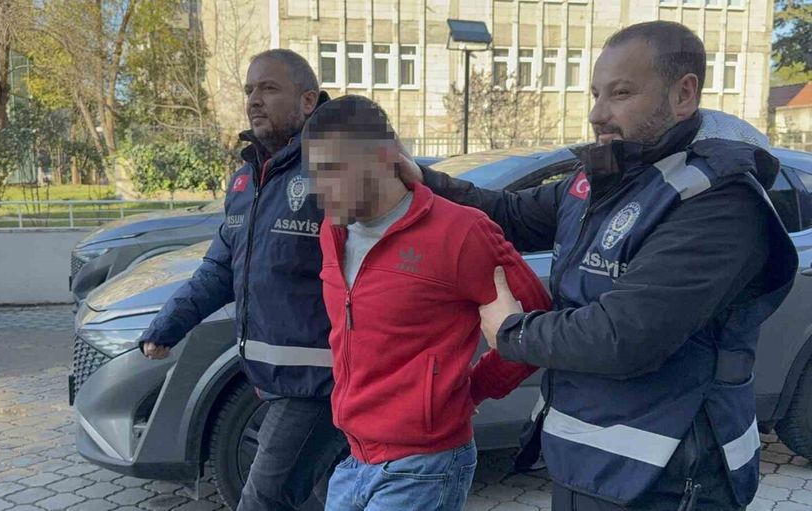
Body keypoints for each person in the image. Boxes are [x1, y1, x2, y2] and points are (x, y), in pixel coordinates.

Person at [399, 21, 798, 511]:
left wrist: (511, 332)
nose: (597, 113)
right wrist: (423, 179)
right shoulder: (605, 182)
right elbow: (510, 212)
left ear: (683, 94)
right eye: (595, 94)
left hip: (669, 479)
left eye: (621, 93)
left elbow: (624, 336)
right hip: (589, 464)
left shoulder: (718, 201)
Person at [303, 95, 552, 511]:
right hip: (354, 457)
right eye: (314, 173)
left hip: (423, 465)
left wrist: (472, 390)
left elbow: (535, 326)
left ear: (385, 156)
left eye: (332, 169)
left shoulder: (461, 232)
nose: (318, 188)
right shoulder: (333, 231)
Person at [138, 49, 348, 511]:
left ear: (308, 100)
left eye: (269, 89)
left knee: (262, 500)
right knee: (325, 497)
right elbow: (220, 267)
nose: (254, 100)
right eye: (249, 90)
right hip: (272, 381)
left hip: (320, 384)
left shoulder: (336, 168)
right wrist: (167, 325)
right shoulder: (246, 181)